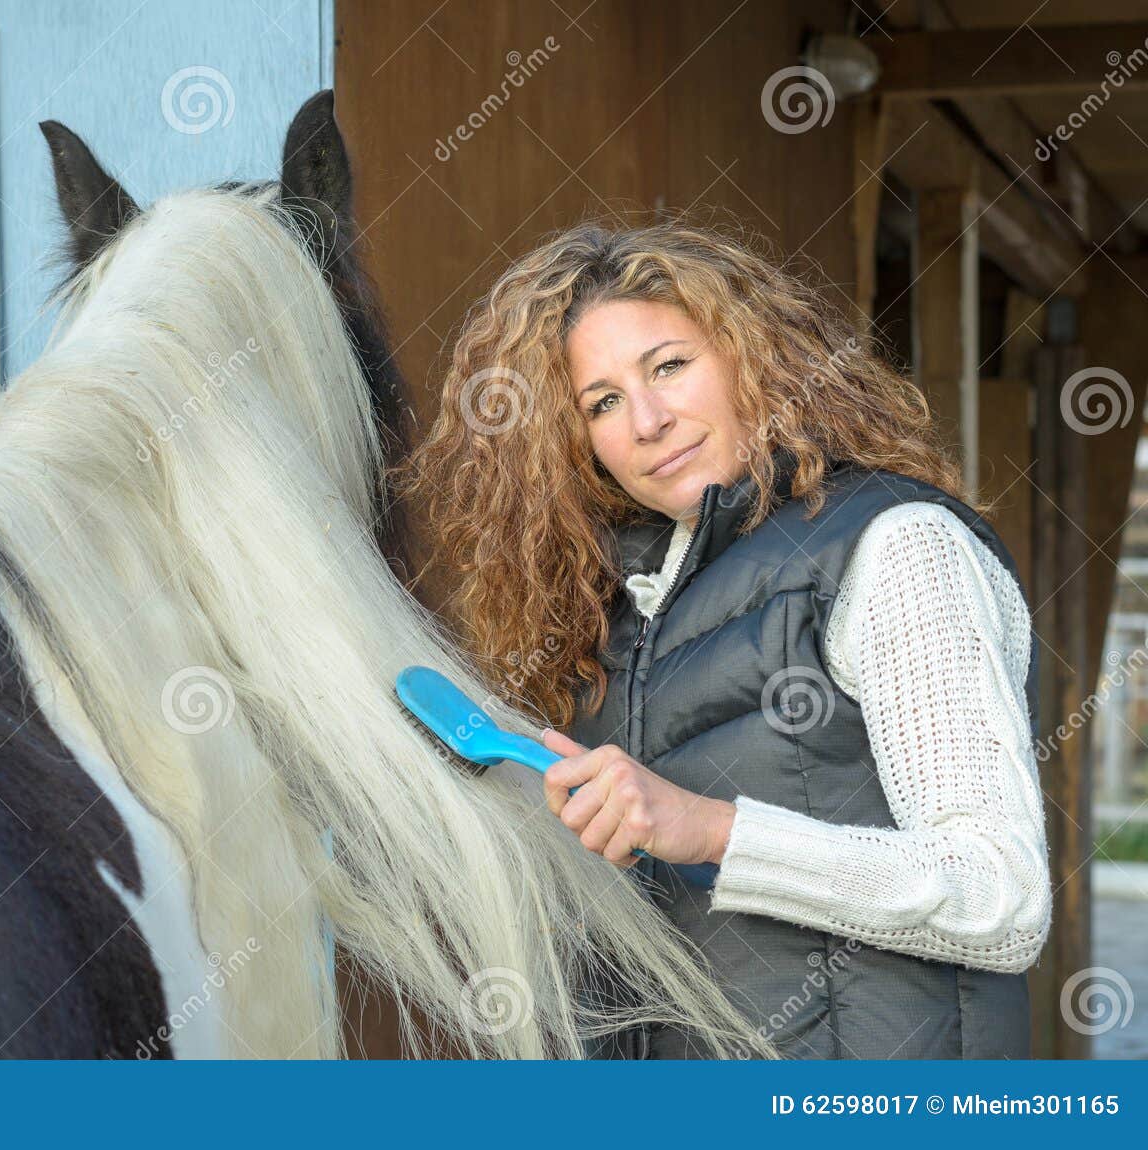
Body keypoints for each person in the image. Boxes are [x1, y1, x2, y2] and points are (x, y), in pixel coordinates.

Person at [392, 220, 1053, 1059]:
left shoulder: (897, 547)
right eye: (601, 403)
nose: (648, 420)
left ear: (752, 355)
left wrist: (709, 830)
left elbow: (1001, 898)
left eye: (668, 366)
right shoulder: (626, 616)